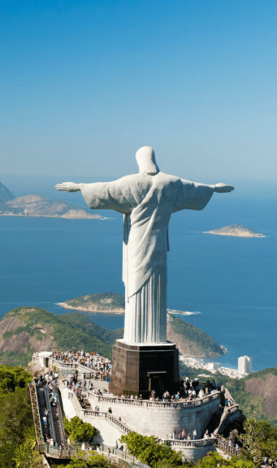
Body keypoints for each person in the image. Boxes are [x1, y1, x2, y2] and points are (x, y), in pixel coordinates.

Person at [57, 147, 233, 345]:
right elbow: (193, 188)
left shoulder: (133, 182)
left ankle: (136, 336)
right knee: (156, 285)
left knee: (135, 283)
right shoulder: (171, 182)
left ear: (140, 161)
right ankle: (153, 336)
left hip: (137, 242)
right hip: (158, 247)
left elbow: (107, 190)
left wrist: (80, 186)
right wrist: (214, 188)